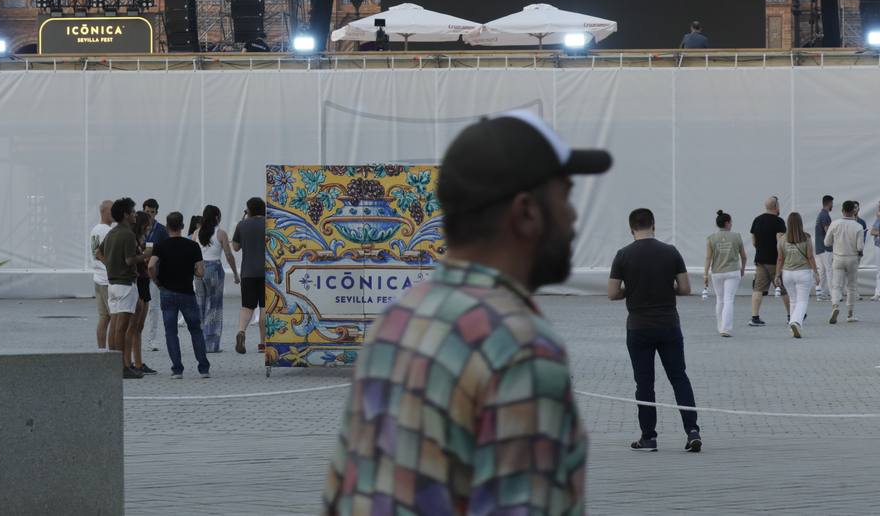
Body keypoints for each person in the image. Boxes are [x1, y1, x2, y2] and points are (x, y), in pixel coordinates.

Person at [325, 110, 610, 513]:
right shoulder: (519, 350)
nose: (574, 215)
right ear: (526, 212)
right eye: (565, 195)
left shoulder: (396, 320)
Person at [609, 208, 702, 453]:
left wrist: (633, 289)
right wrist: (665, 286)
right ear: (654, 225)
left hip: (638, 327)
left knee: (644, 383)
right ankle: (692, 431)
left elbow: (612, 293)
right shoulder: (671, 252)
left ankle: (648, 437)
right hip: (669, 324)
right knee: (679, 378)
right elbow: (684, 289)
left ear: (631, 229)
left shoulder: (623, 255)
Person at [148, 211, 211, 379]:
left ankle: (177, 369)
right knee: (195, 330)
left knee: (171, 332)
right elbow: (200, 271)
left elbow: (151, 266)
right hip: (187, 293)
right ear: (182, 226)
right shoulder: (192, 246)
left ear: (168, 227)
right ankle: (203, 368)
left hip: (167, 292)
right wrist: (193, 272)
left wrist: (157, 282)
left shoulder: (160, 245)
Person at [100, 197, 147, 378]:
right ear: (126, 214)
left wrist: (111, 265)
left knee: (114, 325)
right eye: (133, 211)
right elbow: (129, 260)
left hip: (112, 283)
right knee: (122, 326)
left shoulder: (112, 233)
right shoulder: (127, 234)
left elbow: (99, 252)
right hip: (126, 284)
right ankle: (122, 367)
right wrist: (144, 256)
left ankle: (114, 363)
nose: (135, 214)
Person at [194, 205, 237, 352]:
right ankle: (211, 344)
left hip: (199, 269)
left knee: (200, 304)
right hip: (214, 269)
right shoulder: (220, 233)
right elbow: (229, 255)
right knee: (214, 306)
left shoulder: (196, 233)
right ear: (217, 217)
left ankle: (198, 343)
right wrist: (235, 274)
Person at [231, 197, 268, 355]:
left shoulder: (242, 225)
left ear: (249, 210)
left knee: (247, 306)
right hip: (267, 272)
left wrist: (243, 219)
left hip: (247, 273)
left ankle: (241, 332)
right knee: (264, 307)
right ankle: (263, 344)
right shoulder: (270, 223)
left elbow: (236, 247)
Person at [703, 210, 746, 336]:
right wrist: (742, 269)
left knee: (720, 299)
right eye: (731, 222)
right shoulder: (737, 236)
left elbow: (708, 258)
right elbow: (743, 256)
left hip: (717, 272)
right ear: (727, 223)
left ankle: (720, 326)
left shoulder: (711, 238)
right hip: (733, 271)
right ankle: (726, 329)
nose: (731, 224)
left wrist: (705, 274)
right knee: (728, 300)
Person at [776, 212, 817, 338]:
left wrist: (777, 274)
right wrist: (816, 272)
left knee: (793, 300)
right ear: (800, 223)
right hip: (803, 272)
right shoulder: (806, 238)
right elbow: (810, 256)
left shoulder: (782, 239)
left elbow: (780, 259)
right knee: (802, 301)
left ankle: (793, 326)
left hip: (787, 273)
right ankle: (796, 322)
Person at [748, 197, 788, 327]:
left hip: (760, 260)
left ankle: (755, 317)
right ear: (776, 206)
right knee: (784, 289)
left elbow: (753, 241)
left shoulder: (757, 220)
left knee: (758, 289)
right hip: (775, 261)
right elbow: (780, 241)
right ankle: (791, 315)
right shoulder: (779, 221)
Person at [128, 207, 157, 375]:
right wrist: (145, 254)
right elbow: (131, 260)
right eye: (147, 225)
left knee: (140, 326)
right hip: (138, 281)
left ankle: (138, 362)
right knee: (133, 326)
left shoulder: (141, 239)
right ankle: (130, 361)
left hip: (144, 281)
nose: (149, 228)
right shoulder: (132, 239)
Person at [825, 200, 865, 323]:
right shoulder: (858, 226)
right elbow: (860, 247)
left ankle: (835, 306)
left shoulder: (835, 223)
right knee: (851, 286)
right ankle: (850, 314)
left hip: (838, 257)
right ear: (854, 211)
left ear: (842, 210)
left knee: (836, 285)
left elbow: (827, 242)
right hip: (852, 258)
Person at [140, 198, 166, 353]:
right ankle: (137, 335)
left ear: (156, 213)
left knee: (154, 307)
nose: (149, 214)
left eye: (152, 212)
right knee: (138, 306)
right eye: (147, 211)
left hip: (154, 272)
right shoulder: (137, 229)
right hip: (139, 272)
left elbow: (166, 250)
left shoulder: (161, 230)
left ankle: (152, 339)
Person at [90, 199, 114, 352]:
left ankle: (101, 351)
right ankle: (114, 353)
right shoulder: (107, 231)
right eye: (112, 211)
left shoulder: (94, 229)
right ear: (104, 211)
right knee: (115, 319)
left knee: (103, 317)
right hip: (107, 278)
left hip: (97, 277)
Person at [813, 195, 834, 301]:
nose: (832, 206)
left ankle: (820, 293)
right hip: (826, 248)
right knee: (829, 270)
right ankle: (832, 294)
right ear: (829, 203)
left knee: (822, 271)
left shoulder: (820, 215)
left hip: (819, 248)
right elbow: (828, 231)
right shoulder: (825, 215)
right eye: (832, 203)